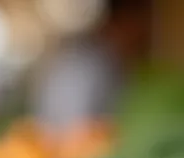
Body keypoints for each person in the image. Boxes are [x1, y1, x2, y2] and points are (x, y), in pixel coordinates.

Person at [32, 0, 151, 131]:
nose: (144, 32)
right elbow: (76, 129)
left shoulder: (119, 65)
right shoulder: (89, 65)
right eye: (139, 22)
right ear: (119, 21)